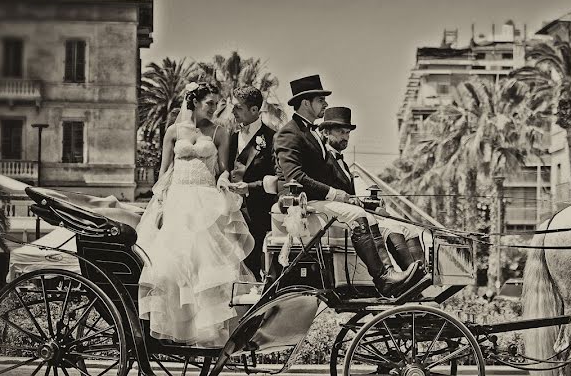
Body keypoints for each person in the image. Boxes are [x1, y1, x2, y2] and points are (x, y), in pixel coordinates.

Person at [273, 75, 425, 297]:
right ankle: (384, 278)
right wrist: (336, 194)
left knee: (379, 221)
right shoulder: (289, 133)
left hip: (320, 201)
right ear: (306, 103)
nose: (325, 104)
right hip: (304, 203)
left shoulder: (311, 133)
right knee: (357, 215)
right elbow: (295, 176)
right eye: (320, 100)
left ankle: (408, 282)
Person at [136, 82, 255, 347]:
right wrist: (161, 204)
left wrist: (224, 180)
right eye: (210, 103)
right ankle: (176, 328)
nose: (215, 108)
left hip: (204, 200)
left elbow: (223, 169)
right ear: (195, 102)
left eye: (216, 103)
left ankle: (205, 331)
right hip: (178, 199)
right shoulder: (173, 132)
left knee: (205, 265)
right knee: (171, 265)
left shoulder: (220, 132)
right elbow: (165, 171)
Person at [316, 106, 426, 272]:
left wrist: (372, 204)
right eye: (341, 132)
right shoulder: (323, 160)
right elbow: (334, 195)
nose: (345, 137)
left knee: (409, 229)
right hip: (339, 220)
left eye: (348, 133)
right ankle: (396, 276)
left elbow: (352, 196)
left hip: (355, 215)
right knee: (393, 228)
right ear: (325, 133)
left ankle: (419, 275)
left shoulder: (343, 164)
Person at [227, 85, 278, 277]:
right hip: (231, 213)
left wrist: (249, 187)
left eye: (238, 107)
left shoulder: (273, 139)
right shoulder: (232, 138)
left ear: (255, 110)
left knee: (254, 270)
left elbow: (277, 178)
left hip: (257, 215)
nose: (233, 112)